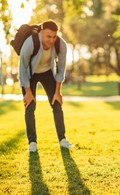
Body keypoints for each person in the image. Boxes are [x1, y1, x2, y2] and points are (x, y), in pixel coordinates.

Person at [19, 19, 73, 153]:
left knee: (56, 104)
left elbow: (61, 69)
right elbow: (22, 69)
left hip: (47, 72)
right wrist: (28, 92)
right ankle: (32, 143)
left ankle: (62, 140)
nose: (51, 40)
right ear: (41, 33)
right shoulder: (30, 43)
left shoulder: (61, 45)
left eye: (54, 36)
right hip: (30, 74)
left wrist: (58, 92)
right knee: (30, 106)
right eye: (48, 36)